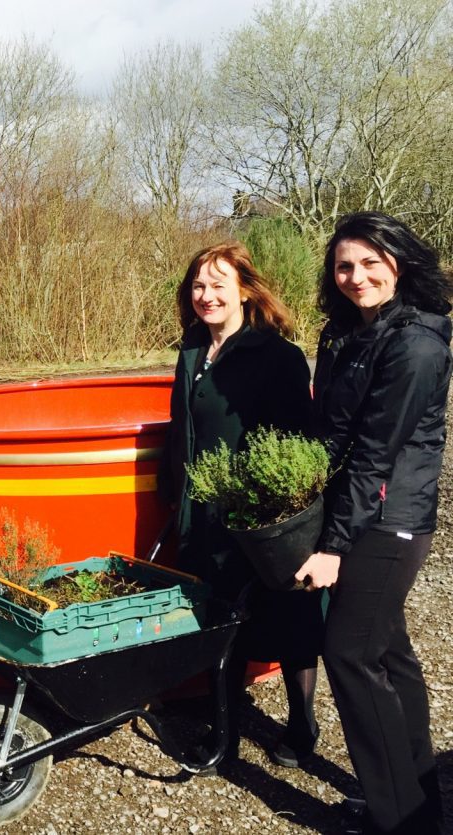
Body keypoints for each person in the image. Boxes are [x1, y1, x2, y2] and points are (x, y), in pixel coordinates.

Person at [297, 213, 451, 835]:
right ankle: (419, 802)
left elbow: (373, 453)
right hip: (362, 509)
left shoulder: (415, 344)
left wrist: (333, 545)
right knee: (388, 652)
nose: (356, 276)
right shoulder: (346, 334)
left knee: (350, 654)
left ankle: (399, 820)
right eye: (344, 266)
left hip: (390, 520)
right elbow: (329, 430)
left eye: (369, 262)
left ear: (400, 264)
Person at [158, 241, 324, 769]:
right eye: (198, 286)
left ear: (246, 291)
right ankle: (224, 733)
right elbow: (182, 431)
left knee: (288, 619)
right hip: (202, 515)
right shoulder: (191, 350)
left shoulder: (276, 356)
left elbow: (298, 445)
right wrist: (173, 498)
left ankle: (302, 726)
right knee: (217, 621)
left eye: (218, 285)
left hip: (258, 520)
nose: (206, 296)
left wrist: (274, 517)